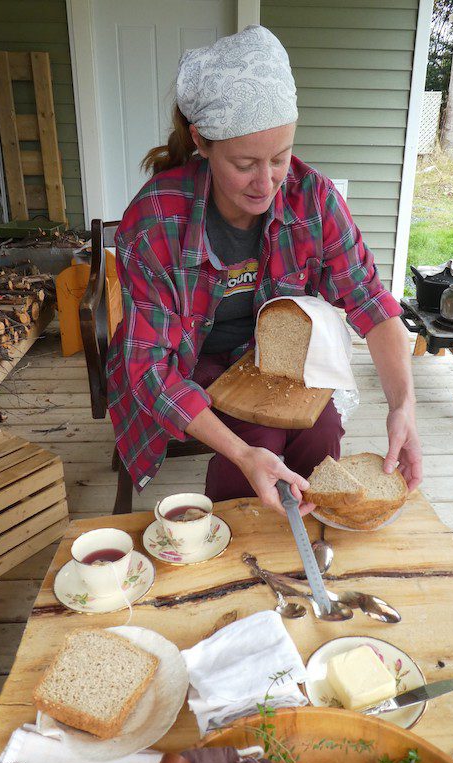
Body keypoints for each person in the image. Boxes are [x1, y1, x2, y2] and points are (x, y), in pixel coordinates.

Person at [107, 25, 422, 516]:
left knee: (322, 431)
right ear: (201, 142)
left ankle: (312, 537)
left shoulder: (313, 198)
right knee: (254, 437)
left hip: (269, 359)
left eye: (280, 157)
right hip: (186, 361)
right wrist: (241, 452)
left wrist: (403, 404)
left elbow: (371, 304)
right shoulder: (154, 220)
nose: (267, 181)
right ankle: (235, 547)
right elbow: (148, 368)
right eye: (245, 163)